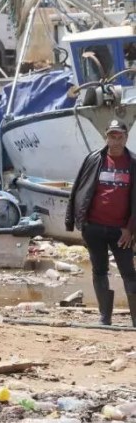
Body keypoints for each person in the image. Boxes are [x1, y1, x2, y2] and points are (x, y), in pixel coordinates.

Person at [65, 119, 136, 326]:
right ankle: (105, 317)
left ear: (126, 138)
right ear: (106, 137)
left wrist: (130, 230)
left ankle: (135, 320)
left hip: (121, 231)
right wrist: (76, 222)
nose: (115, 140)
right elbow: (78, 189)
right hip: (93, 227)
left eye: (119, 136)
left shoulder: (133, 163)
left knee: (129, 273)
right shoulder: (94, 159)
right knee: (99, 270)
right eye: (111, 136)